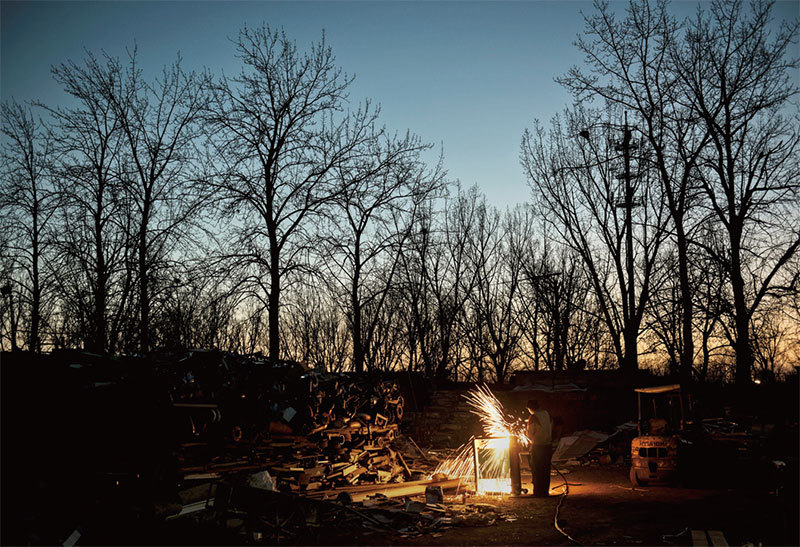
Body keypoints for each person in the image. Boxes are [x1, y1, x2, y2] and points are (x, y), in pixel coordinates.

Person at [526, 399, 553, 497]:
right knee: (545, 470)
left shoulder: (533, 417)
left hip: (538, 446)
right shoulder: (546, 413)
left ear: (529, 408)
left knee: (537, 469)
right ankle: (545, 492)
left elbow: (529, 434)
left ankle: (538, 493)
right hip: (548, 445)